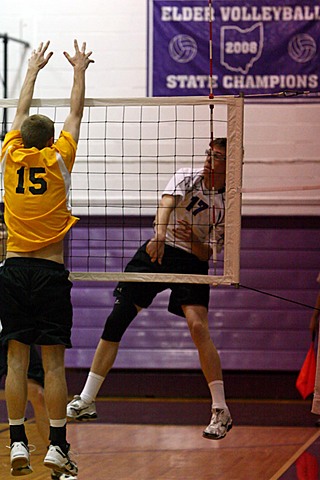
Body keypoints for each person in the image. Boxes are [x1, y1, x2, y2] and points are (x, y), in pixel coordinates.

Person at [67, 138, 233, 440]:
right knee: (117, 319)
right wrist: (158, 235)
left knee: (198, 327)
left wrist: (194, 241)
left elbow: (208, 253)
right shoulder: (188, 175)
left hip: (191, 262)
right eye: (209, 153)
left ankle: (221, 409)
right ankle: (87, 399)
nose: (209, 160)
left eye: (218, 156)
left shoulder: (228, 204)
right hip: (159, 249)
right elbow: (166, 203)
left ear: (230, 164)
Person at [0, 39, 93, 476]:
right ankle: (57, 446)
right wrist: (79, 70)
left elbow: (17, 113)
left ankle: (18, 442)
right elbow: (75, 113)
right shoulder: (60, 160)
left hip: (13, 268)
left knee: (16, 361)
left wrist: (33, 69)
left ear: (20, 139)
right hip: (50, 271)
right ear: (51, 141)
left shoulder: (8, 156)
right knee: (52, 363)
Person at [0, 210, 77, 479]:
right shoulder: (56, 190)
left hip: (16, 280)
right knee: (52, 366)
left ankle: (28, 442)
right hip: (42, 276)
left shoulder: (14, 199)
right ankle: (54, 444)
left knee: (34, 387)